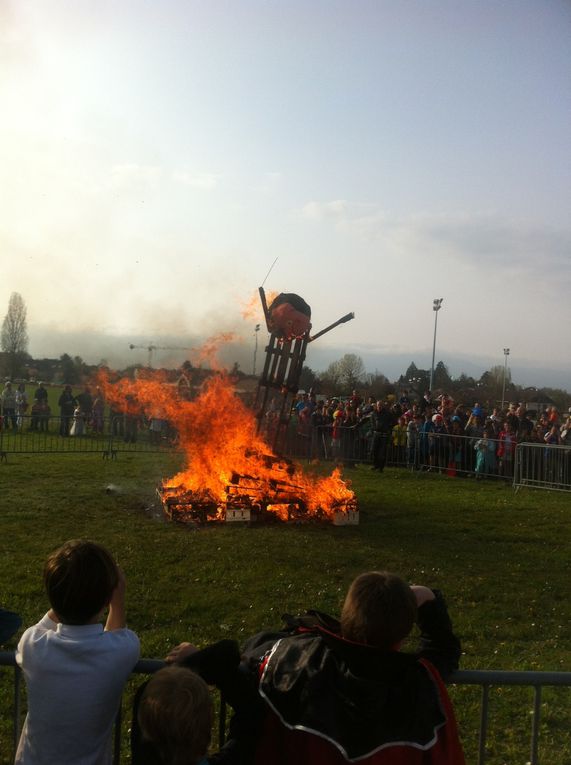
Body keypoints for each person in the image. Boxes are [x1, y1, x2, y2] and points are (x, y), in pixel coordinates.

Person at [243, 571, 465, 764]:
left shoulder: (299, 662)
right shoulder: (418, 682)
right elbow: (443, 648)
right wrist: (428, 597)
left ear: (346, 615)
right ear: (403, 635)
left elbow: (257, 647)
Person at [15, 539, 140, 765]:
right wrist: (117, 601)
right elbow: (115, 636)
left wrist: (69, 586)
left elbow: (51, 616)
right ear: (107, 598)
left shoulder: (32, 644)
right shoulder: (124, 650)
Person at [132, 642, 264, 765]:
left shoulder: (142, 756)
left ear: (145, 726)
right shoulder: (232, 759)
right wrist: (194, 660)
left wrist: (182, 667)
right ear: (209, 729)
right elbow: (250, 713)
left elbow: (145, 694)